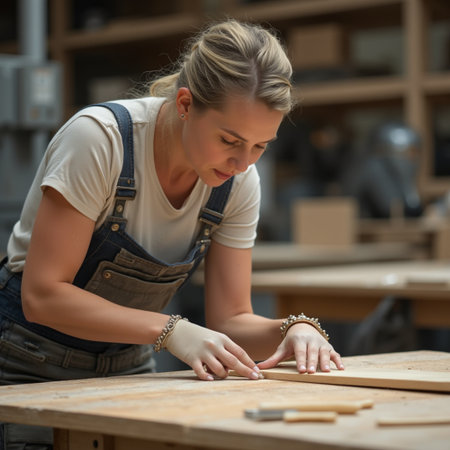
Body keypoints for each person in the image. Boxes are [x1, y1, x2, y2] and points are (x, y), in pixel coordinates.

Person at [0, 19, 343, 449]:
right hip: (30, 364)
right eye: (229, 140)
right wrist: (173, 329)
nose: (242, 163)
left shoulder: (238, 182)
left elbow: (230, 319)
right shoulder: (101, 140)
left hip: (127, 367)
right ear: (185, 104)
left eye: (260, 146)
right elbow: (43, 295)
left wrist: (293, 330)